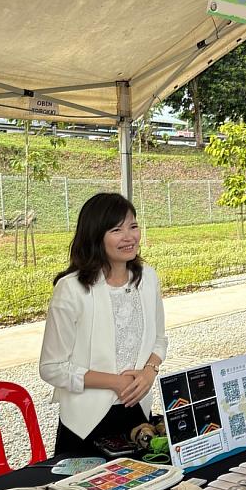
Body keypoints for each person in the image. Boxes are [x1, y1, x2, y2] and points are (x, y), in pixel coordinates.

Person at [40, 192, 167, 453]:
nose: (129, 236)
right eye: (117, 229)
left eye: (133, 226)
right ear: (95, 236)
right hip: (86, 423)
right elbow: (51, 368)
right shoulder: (72, 289)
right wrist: (114, 382)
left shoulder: (147, 278)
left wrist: (149, 372)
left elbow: (159, 339)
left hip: (137, 413)